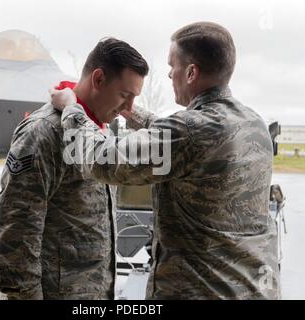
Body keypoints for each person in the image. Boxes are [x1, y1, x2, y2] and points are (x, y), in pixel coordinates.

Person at [51, 22, 280, 299]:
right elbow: (189, 142)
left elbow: (101, 160)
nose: (170, 74)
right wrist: (133, 113)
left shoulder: (189, 130)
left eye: (173, 66)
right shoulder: (252, 122)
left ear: (192, 72)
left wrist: (72, 110)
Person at [0, 37, 149, 299]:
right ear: (98, 79)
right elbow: (15, 227)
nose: (129, 109)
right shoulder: (44, 131)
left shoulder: (98, 130)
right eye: (125, 95)